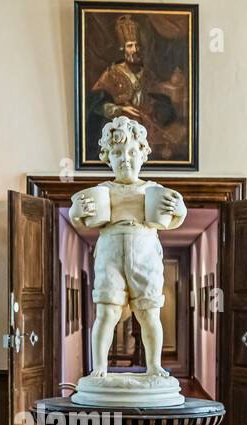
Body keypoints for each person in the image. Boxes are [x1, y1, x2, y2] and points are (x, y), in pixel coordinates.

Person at [71, 117, 186, 381]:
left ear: (143, 154)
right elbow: (82, 216)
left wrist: (178, 209)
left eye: (132, 152)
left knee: (149, 313)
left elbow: (177, 213)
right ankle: (99, 367)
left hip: (144, 249)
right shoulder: (103, 190)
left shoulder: (152, 189)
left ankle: (154, 365)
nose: (125, 159)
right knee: (107, 312)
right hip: (110, 250)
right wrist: (78, 212)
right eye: (117, 153)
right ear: (107, 158)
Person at [85, 14, 187, 163]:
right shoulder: (111, 74)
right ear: (123, 48)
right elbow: (93, 105)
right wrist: (120, 110)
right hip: (120, 135)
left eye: (137, 45)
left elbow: (155, 97)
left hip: (147, 131)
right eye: (130, 45)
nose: (135, 50)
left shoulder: (147, 73)